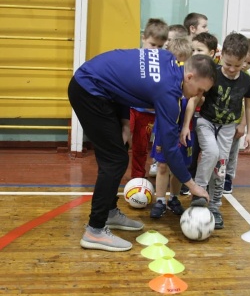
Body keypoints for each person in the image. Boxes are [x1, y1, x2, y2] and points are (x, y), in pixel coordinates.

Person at [68, 48, 216, 252]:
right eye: (200, 90)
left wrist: (125, 124)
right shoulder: (168, 92)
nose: (200, 96)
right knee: (115, 160)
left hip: (98, 86)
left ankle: (108, 213)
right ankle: (95, 230)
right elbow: (170, 148)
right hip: (89, 90)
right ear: (190, 77)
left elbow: (125, 83)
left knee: (118, 153)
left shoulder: (168, 60)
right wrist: (192, 185)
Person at [180, 32, 250, 229]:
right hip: (206, 121)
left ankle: (214, 206)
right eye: (228, 64)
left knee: (221, 165)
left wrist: (249, 131)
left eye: (237, 66)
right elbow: (194, 98)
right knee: (211, 153)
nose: (231, 69)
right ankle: (199, 193)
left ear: (244, 62)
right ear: (221, 56)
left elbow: (249, 106)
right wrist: (187, 125)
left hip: (228, 127)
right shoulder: (212, 73)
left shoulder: (246, 81)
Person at [149, 37, 193, 218]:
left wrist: (185, 126)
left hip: (183, 129)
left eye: (183, 62)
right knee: (162, 165)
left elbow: (195, 101)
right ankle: (160, 200)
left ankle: (174, 198)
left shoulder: (191, 83)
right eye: (176, 61)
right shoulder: (163, 82)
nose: (179, 66)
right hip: (164, 128)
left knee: (179, 166)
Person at [180, 32, 219, 196]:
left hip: (217, 122)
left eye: (199, 50)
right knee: (191, 150)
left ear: (212, 53)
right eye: (193, 50)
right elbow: (193, 100)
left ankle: (208, 187)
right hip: (197, 118)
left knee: (213, 154)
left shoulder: (218, 73)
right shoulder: (189, 73)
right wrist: (185, 125)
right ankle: (188, 182)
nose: (195, 53)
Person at [130, 18, 168, 179]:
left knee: (149, 146)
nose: (156, 50)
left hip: (153, 112)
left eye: (160, 46)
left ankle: (144, 176)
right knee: (129, 143)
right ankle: (129, 176)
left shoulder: (166, 62)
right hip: (134, 110)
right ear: (143, 38)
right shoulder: (134, 59)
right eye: (152, 45)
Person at [149, 24, 188, 177]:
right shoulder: (161, 65)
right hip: (164, 117)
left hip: (181, 121)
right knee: (162, 160)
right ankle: (156, 162)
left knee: (179, 159)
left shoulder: (187, 71)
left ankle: (174, 194)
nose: (166, 44)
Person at [223, 38, 250, 194]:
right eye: (245, 61)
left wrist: (243, 125)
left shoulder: (248, 80)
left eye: (249, 63)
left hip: (236, 122)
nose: (245, 66)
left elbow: (248, 104)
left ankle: (228, 178)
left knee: (232, 152)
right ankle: (216, 176)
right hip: (222, 121)